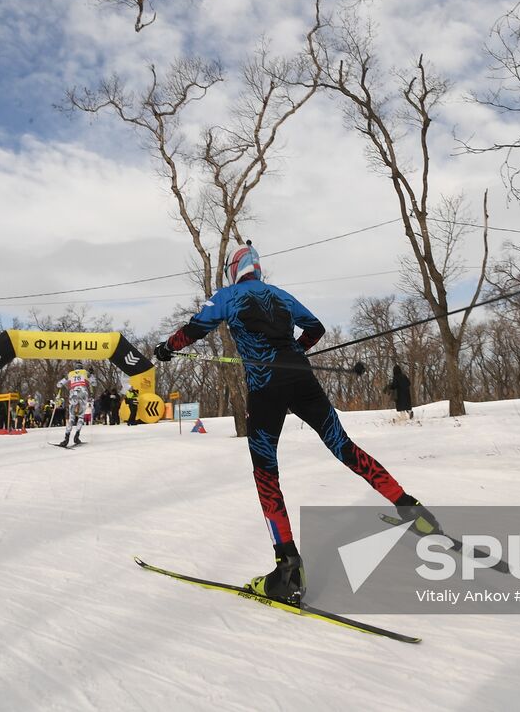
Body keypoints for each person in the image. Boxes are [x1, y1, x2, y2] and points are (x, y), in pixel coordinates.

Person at [153, 241, 443, 604]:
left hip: (265, 389)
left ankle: (287, 566)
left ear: (233, 269)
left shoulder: (227, 296)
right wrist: (293, 353)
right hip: (302, 379)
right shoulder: (279, 294)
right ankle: (410, 506)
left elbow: (196, 328)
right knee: (344, 447)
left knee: (266, 473)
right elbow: (315, 328)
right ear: (257, 268)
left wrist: (166, 347)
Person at [57, 368, 92, 447]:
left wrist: (62, 380)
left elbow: (59, 384)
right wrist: (91, 374)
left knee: (71, 418)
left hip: (73, 395)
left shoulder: (70, 374)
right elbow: (94, 383)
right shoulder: (85, 372)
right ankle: (77, 436)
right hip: (83, 395)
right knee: (81, 417)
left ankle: (66, 438)